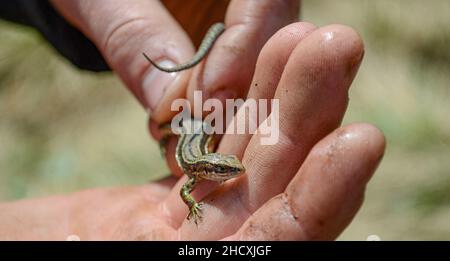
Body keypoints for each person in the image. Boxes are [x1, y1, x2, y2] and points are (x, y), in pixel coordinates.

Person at [0, 0, 385, 240]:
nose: (232, 171)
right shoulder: (197, 173)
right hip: (191, 125)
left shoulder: (199, 171)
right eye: (226, 168)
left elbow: (191, 187)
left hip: (196, 125)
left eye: (226, 168)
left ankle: (207, 49)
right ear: (211, 168)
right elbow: (188, 192)